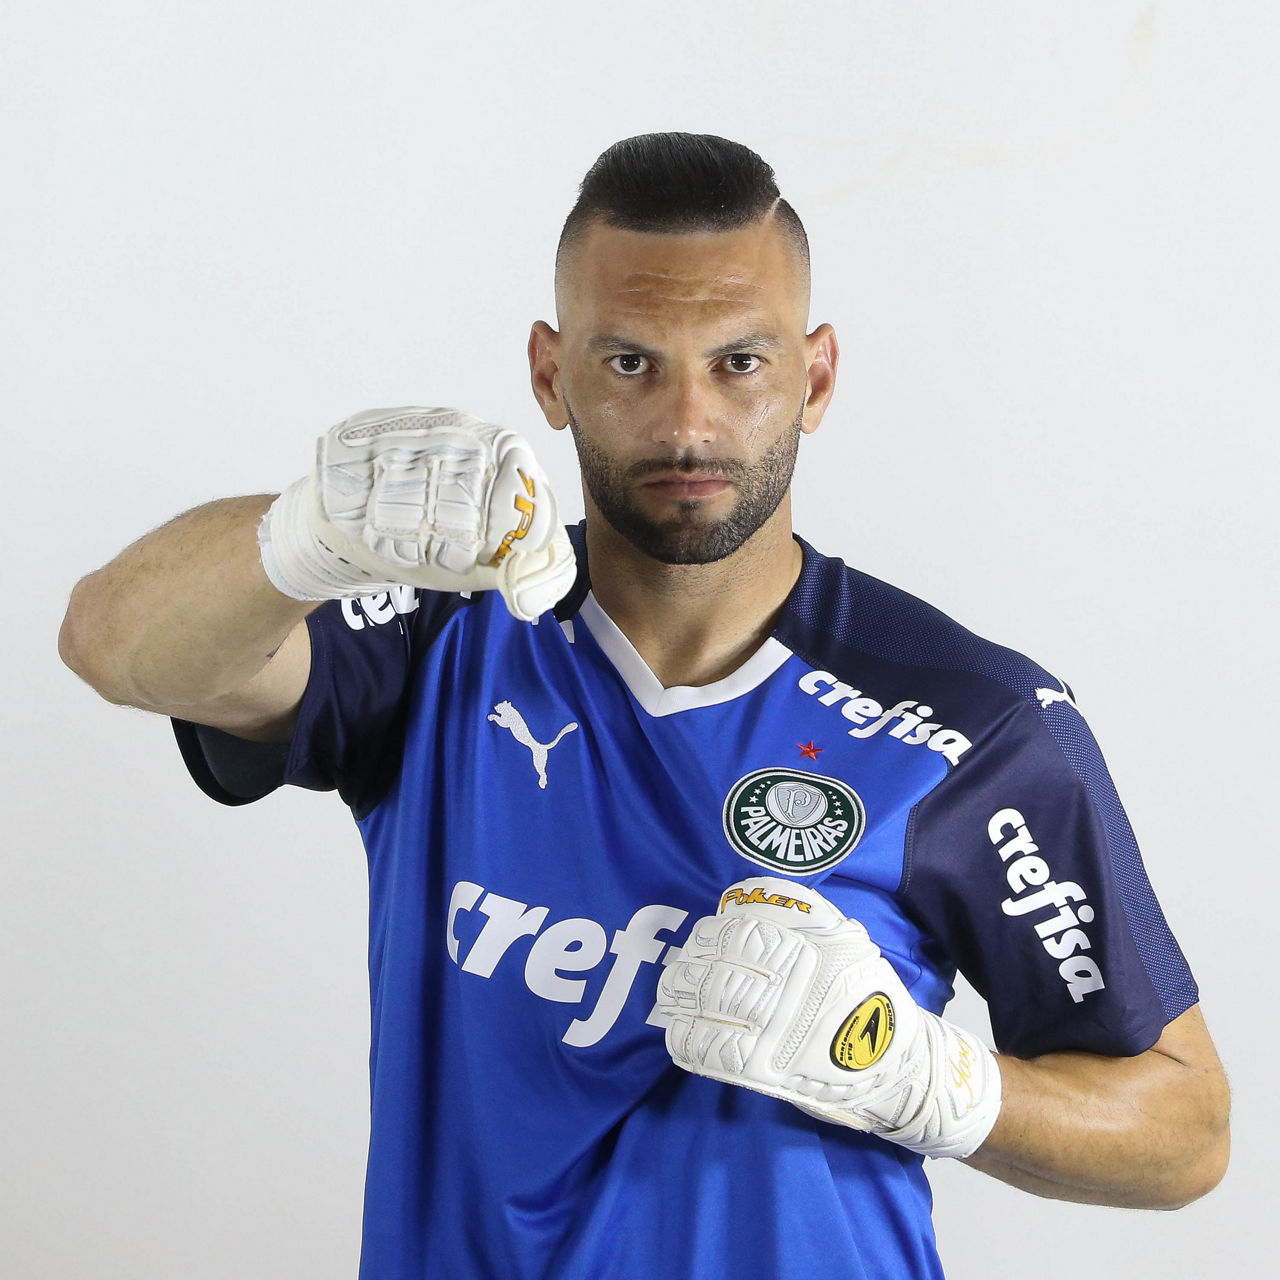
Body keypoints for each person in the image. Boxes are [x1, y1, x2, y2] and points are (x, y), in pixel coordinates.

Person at [59, 133, 1229, 1279]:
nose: (685, 424)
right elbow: (113, 645)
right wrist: (306, 532)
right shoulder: (439, 632)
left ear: (815, 376)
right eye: (629, 362)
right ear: (548, 373)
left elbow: (1184, 1129)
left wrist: (922, 1076)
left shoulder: (969, 720)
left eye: (738, 363)